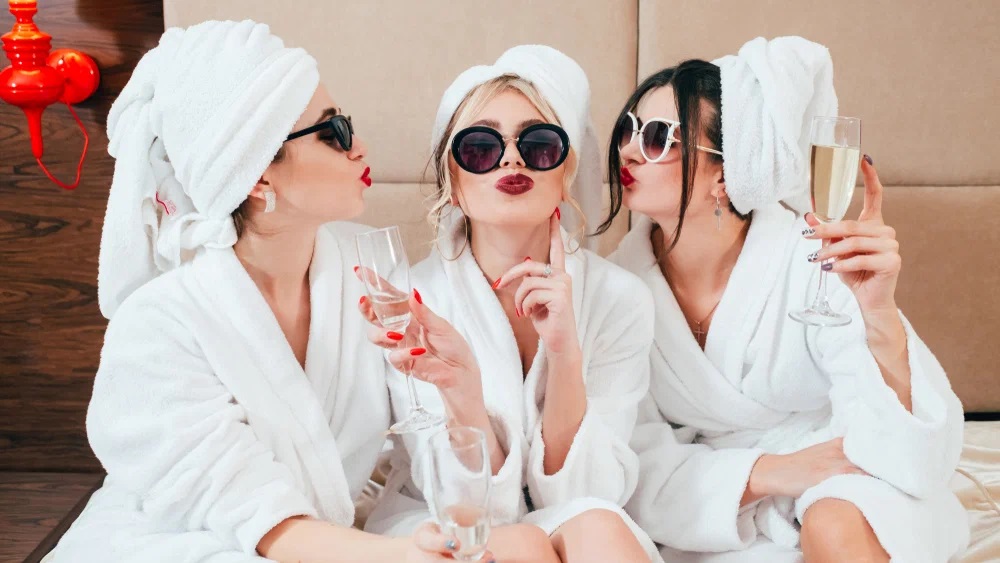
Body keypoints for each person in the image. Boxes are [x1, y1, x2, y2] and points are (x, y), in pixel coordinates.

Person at [49, 20, 492, 563]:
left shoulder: (367, 273)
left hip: (330, 541)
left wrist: (461, 388)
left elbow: (426, 446)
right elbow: (253, 515)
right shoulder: (159, 325)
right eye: (335, 134)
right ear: (258, 177)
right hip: (193, 546)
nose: (360, 148)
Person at [604, 36, 968, 562]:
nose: (630, 150)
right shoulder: (618, 286)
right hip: (718, 506)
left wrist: (878, 310)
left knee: (834, 521)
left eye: (661, 137)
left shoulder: (811, 262)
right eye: (628, 131)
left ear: (726, 175)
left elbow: (905, 446)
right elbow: (631, 454)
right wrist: (772, 472)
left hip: (848, 480)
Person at [359, 45, 660, 562]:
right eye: (480, 147)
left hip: (572, 512)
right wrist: (463, 393)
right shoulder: (416, 303)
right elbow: (471, 510)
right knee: (519, 545)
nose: (512, 159)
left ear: (565, 174)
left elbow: (589, 492)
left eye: (540, 144)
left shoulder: (619, 299)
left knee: (602, 530)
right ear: (453, 182)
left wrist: (566, 355)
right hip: (438, 516)